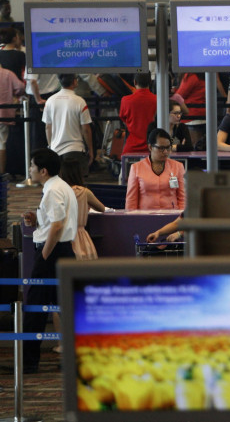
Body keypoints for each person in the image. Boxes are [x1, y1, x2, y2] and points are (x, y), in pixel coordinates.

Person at [21, 148, 77, 373]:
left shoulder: (53, 190)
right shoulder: (60, 187)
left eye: (32, 166)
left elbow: (57, 226)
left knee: (34, 308)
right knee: (65, 306)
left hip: (52, 253)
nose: (30, 170)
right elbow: (53, 222)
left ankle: (28, 362)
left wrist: (43, 255)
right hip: (61, 251)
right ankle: (78, 358)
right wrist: (37, 220)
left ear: (43, 170)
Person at [42, 74, 94, 172]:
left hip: (56, 150)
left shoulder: (50, 101)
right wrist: (90, 150)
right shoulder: (80, 101)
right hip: (75, 149)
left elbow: (48, 127)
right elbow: (86, 129)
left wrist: (50, 145)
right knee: (76, 184)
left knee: (59, 184)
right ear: (74, 82)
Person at [125, 128, 186, 210]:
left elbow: (182, 198)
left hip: (172, 217)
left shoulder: (178, 167)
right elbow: (131, 201)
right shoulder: (136, 168)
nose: (165, 152)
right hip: (145, 218)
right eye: (161, 148)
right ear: (150, 147)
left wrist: (182, 218)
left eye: (168, 148)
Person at [59, 159, 106, 260]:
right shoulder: (84, 192)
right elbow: (101, 208)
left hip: (61, 235)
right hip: (80, 237)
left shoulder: (57, 192)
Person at [119, 72, 157, 154]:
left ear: (135, 82)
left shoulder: (125, 100)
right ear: (150, 81)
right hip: (152, 148)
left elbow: (124, 120)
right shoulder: (157, 100)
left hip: (131, 148)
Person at [0, 66, 24, 173]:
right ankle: (1, 174)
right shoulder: (8, 74)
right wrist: (15, 93)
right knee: (1, 143)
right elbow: (20, 87)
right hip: (3, 114)